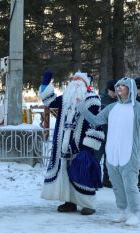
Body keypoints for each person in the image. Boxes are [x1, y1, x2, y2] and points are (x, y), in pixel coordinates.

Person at [77, 77, 140, 226]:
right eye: (118, 86)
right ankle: (123, 211)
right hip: (112, 153)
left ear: (131, 89)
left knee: (130, 185)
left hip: (129, 154)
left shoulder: (138, 108)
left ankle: (134, 213)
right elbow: (97, 120)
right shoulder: (111, 108)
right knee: (117, 185)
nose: (119, 88)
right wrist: (82, 108)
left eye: (123, 86)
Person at [39, 70, 105, 216]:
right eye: (73, 78)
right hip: (63, 144)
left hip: (81, 145)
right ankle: (70, 202)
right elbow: (49, 101)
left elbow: (96, 123)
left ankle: (88, 204)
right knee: (66, 172)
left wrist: (89, 145)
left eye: (78, 79)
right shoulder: (66, 98)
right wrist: (45, 84)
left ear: (85, 83)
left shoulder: (92, 99)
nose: (75, 81)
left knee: (83, 173)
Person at [98, 79, 118, 188]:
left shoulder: (118, 100)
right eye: (113, 92)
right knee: (96, 157)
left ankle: (106, 179)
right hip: (101, 133)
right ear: (109, 90)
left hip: (112, 134)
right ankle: (93, 178)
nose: (115, 94)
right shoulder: (101, 99)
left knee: (109, 159)